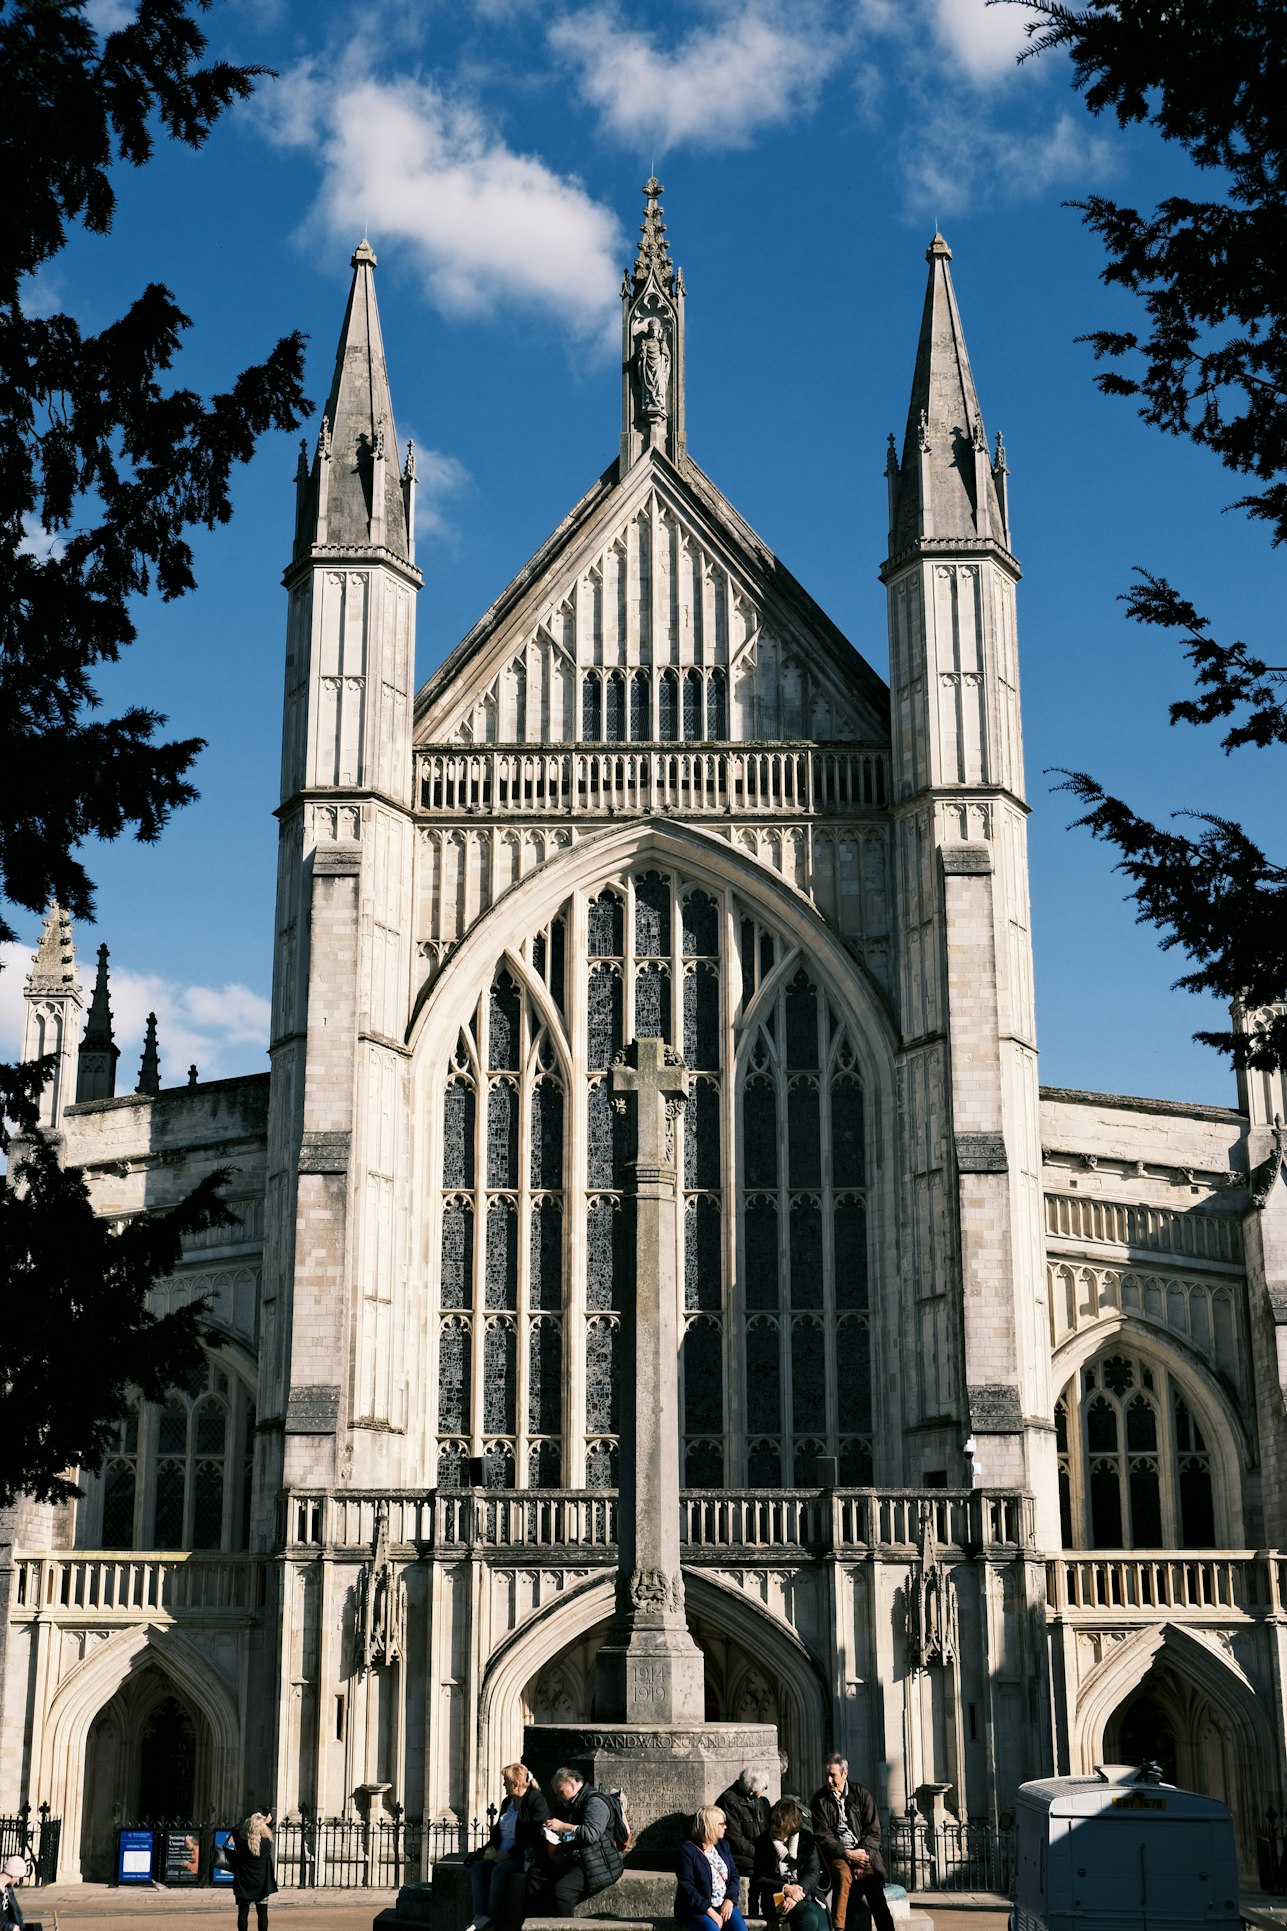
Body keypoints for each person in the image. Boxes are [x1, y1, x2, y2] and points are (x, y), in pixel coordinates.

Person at [523, 1766, 623, 1918]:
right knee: (535, 1875)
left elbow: (591, 1834)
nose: (558, 1797)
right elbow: (573, 1833)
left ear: (572, 1783)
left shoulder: (595, 1802)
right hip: (576, 1857)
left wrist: (562, 1826)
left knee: (562, 1891)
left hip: (597, 1862)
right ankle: (537, 1922)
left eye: (560, 1792)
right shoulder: (573, 1803)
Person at [809, 1757, 893, 1931]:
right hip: (838, 1853)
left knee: (874, 1886)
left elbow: (873, 1831)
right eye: (826, 1775)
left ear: (844, 1773)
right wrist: (846, 1853)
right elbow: (822, 1836)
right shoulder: (819, 1800)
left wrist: (862, 1856)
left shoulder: (862, 1794)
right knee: (843, 1875)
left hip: (864, 1854)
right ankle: (838, 1928)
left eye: (832, 1775)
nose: (829, 1780)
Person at [467, 1763, 551, 1931]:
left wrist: (509, 1854)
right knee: (478, 1869)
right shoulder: (507, 1802)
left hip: (522, 1854)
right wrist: (483, 1852)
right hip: (500, 1852)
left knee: (500, 1871)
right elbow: (498, 1833)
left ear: (516, 1784)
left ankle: (491, 1917)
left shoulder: (535, 1800)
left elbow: (534, 1835)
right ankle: (479, 1916)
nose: (503, 1785)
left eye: (505, 1781)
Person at [752, 1798, 829, 1931]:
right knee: (808, 1917)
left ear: (790, 1824)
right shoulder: (763, 1843)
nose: (774, 1827)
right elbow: (759, 1878)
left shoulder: (806, 1839)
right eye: (772, 1822)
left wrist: (797, 1893)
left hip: (805, 1894)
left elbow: (813, 1872)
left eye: (779, 1824)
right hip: (776, 1898)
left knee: (823, 1926)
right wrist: (785, 1888)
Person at [674, 1807, 747, 1931]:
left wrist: (729, 1900)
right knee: (712, 1929)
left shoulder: (723, 1845)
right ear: (711, 1825)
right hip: (697, 1909)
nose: (725, 1827)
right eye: (722, 1824)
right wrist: (711, 1912)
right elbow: (687, 1887)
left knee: (740, 1929)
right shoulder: (688, 1850)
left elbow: (734, 1874)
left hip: (723, 1904)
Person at [714, 1768, 769, 1912]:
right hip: (738, 1856)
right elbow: (735, 1840)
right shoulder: (729, 1800)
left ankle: (769, 1911)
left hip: (757, 1853)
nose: (767, 1788)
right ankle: (754, 1911)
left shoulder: (761, 1802)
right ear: (752, 1789)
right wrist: (760, 1854)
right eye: (763, 1786)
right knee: (761, 1871)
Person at [226, 1810, 278, 1931]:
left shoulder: (241, 1842)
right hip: (261, 1883)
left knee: (243, 1914)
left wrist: (251, 1822)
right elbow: (266, 1832)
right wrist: (265, 1822)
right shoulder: (266, 1843)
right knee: (262, 1914)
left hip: (244, 1882)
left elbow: (235, 1830)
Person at [0, 1855, 24, 1929]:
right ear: (14, 1875)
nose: (18, 1881)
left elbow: (16, 1911)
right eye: (19, 1877)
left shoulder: (8, 1888)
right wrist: (10, 1927)